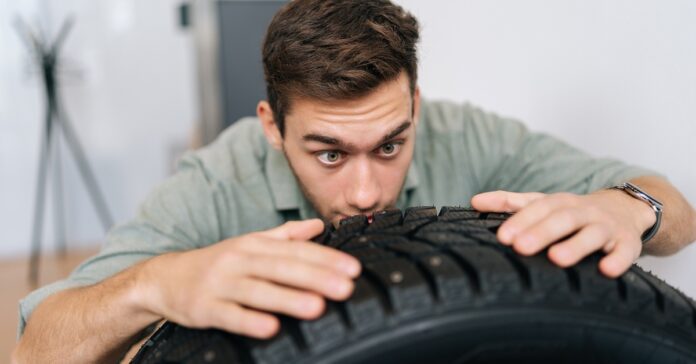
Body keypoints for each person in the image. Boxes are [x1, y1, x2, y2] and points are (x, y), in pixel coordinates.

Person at [13, 0, 696, 362]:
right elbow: (35, 354)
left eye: (391, 143)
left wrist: (627, 206)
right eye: (329, 154)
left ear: (416, 108)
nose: (367, 192)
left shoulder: (470, 134)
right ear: (272, 129)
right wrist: (157, 282)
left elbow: (676, 210)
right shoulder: (215, 179)